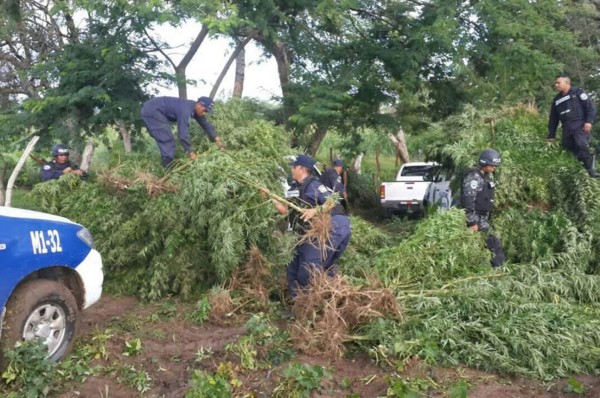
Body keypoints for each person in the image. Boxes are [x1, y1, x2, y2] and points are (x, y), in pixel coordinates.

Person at [267, 154, 351, 298]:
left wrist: (315, 210)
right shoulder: (294, 188)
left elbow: (333, 200)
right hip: (303, 233)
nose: (291, 170)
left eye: (294, 167)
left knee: (308, 268)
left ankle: (312, 301)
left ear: (302, 169)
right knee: (293, 266)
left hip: (328, 228)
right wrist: (270, 197)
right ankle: (299, 303)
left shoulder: (314, 185)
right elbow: (286, 211)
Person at [141, 96, 225, 168]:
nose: (204, 113)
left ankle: (167, 164)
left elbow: (205, 124)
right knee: (167, 140)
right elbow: (182, 134)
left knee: (165, 139)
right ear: (199, 104)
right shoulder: (186, 111)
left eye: (206, 112)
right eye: (205, 110)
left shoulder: (195, 109)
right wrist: (190, 152)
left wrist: (216, 138)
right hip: (153, 110)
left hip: (154, 109)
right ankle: (168, 171)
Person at [460, 149, 505, 268]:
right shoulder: (474, 177)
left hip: (483, 218)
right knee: (494, 243)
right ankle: (499, 270)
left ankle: (485, 269)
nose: (494, 168)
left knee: (484, 246)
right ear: (485, 163)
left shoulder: (484, 176)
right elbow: (468, 200)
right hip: (476, 219)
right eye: (492, 165)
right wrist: (472, 222)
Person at [547, 74, 598, 178]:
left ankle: (590, 169)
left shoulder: (578, 92)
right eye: (555, 83)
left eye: (558, 82)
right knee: (568, 148)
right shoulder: (556, 100)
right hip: (566, 127)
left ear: (567, 83)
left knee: (581, 144)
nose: (556, 85)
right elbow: (553, 119)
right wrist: (551, 135)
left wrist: (589, 122)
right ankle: (581, 165)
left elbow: (590, 108)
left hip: (580, 125)